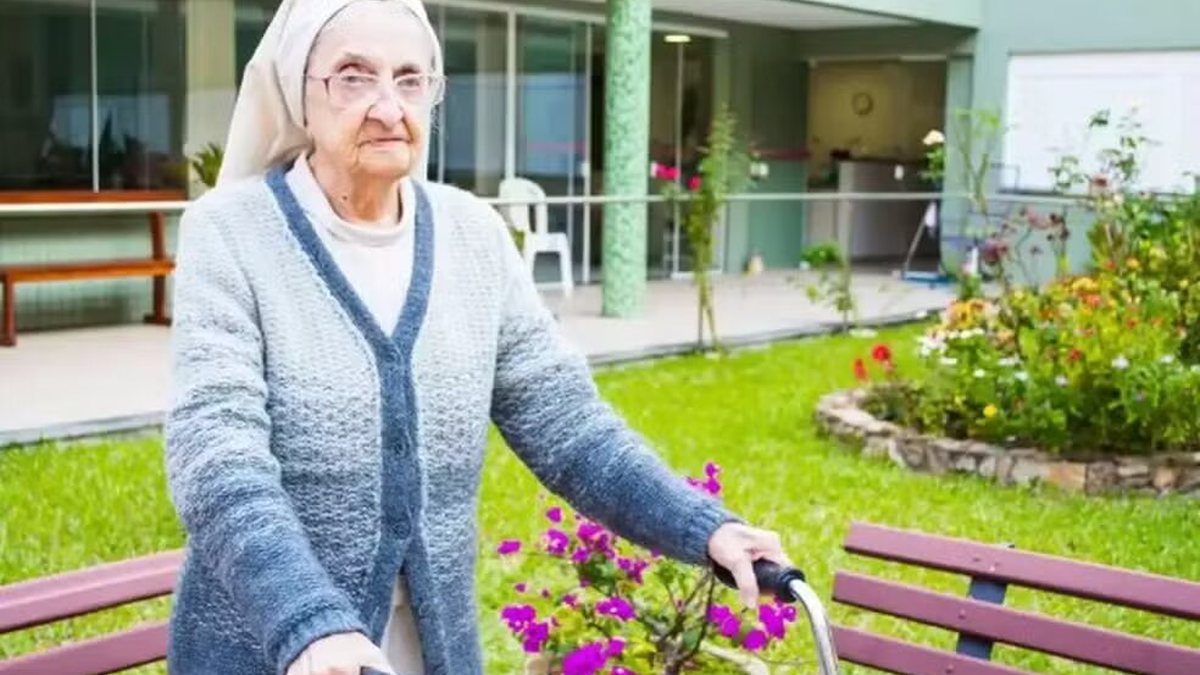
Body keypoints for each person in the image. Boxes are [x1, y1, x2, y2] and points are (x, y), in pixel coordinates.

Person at [164, 1, 789, 673]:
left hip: (433, 649)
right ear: (299, 94)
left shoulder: (473, 234)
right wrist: (308, 620)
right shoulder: (230, 233)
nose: (386, 105)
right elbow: (218, 457)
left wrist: (705, 528)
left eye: (411, 79)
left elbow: (570, 428)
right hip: (272, 648)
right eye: (352, 76)